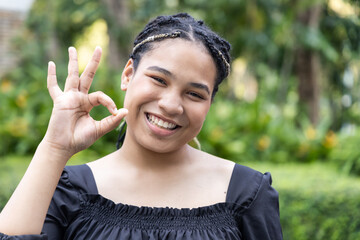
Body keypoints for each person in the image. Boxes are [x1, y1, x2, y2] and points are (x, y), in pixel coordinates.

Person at [0, 13, 282, 239]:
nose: (172, 105)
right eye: (159, 80)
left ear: (209, 104)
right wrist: (54, 147)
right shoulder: (68, 192)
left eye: (195, 94)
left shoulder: (247, 193)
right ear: (128, 74)